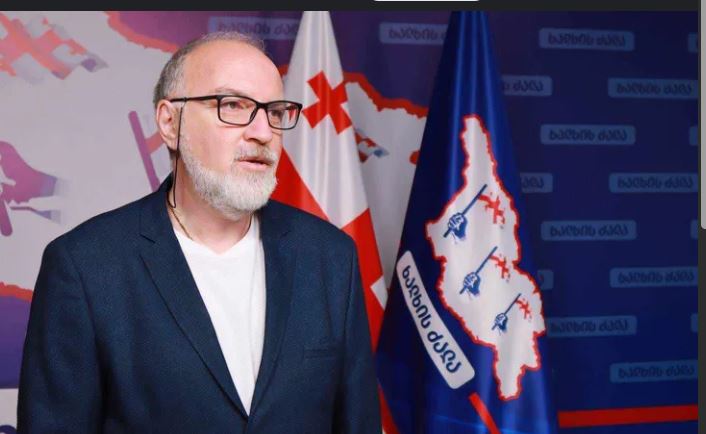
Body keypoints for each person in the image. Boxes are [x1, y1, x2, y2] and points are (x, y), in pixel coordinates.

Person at [17, 31, 380, 433]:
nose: (263, 133)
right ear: (169, 123)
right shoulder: (85, 267)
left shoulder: (330, 257)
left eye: (275, 112)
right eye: (234, 106)